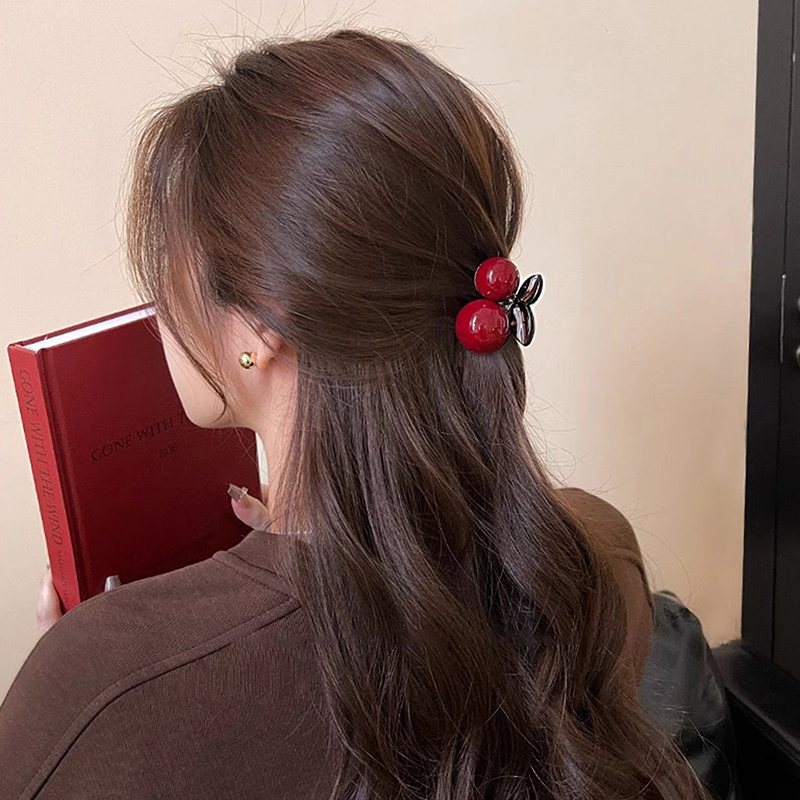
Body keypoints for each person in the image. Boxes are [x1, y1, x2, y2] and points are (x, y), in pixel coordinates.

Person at [0, 27, 709, 800]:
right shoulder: (590, 560)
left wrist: (93, 690)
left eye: (169, 271)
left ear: (261, 326)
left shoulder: (109, 682)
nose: (159, 314)